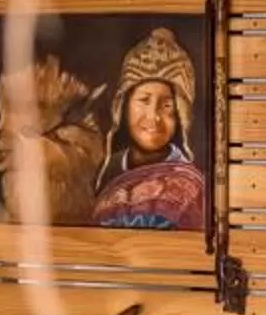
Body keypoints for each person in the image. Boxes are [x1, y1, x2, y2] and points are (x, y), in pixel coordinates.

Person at [87, 25, 208, 230]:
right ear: (123, 106)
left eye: (167, 106)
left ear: (181, 114)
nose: (154, 116)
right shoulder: (104, 173)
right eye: (144, 100)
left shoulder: (189, 187)